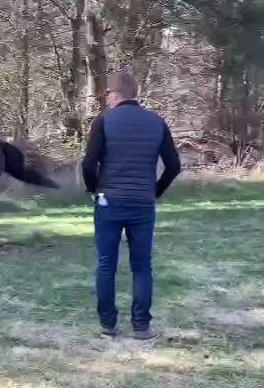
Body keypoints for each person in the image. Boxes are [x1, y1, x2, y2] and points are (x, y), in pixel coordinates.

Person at [82, 69, 181, 340]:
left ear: (115, 95)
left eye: (108, 95)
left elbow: (89, 163)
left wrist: (94, 191)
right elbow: (174, 166)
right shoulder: (157, 122)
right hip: (142, 203)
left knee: (106, 265)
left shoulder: (104, 121)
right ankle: (141, 326)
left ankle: (108, 324)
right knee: (142, 266)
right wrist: (155, 191)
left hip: (109, 202)